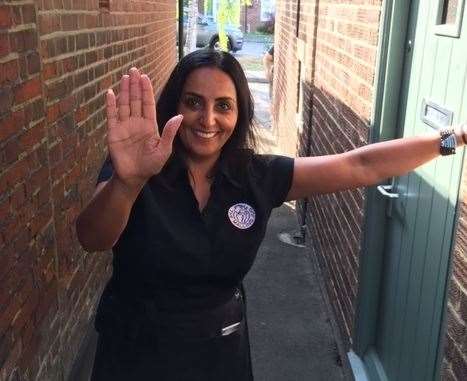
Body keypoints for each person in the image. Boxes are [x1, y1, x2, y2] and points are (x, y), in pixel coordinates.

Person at [76, 48, 466, 380]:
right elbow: (92, 238)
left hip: (219, 354)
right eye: (193, 102)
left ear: (240, 114)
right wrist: (128, 183)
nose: (207, 120)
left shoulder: (256, 176)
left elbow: (361, 165)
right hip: (135, 353)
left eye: (223, 106)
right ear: (173, 106)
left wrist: (455, 138)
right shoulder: (139, 163)